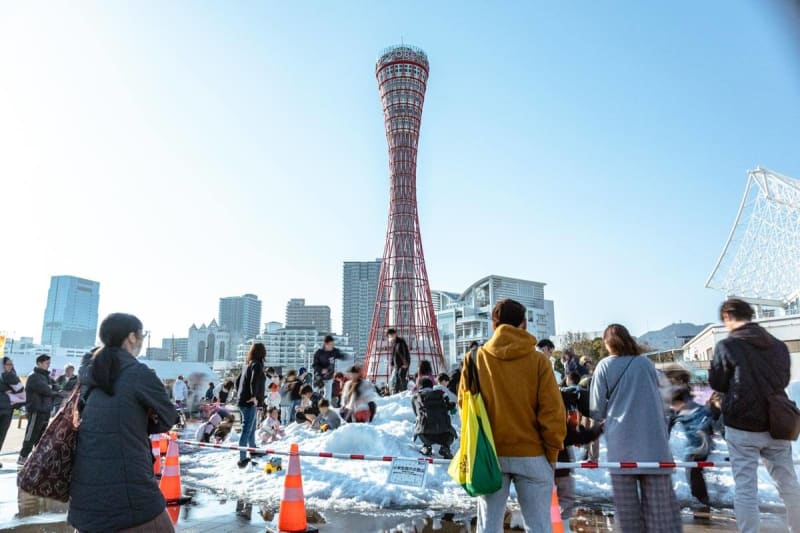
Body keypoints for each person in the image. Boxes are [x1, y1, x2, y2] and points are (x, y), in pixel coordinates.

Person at [459, 299, 566, 532]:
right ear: (524, 324)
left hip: (490, 456)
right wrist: (551, 454)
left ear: (493, 325)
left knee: (489, 526)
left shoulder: (474, 359)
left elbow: (464, 407)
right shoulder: (539, 361)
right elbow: (553, 413)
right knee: (539, 526)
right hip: (533, 454)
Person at [68, 313, 177, 532]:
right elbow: (168, 418)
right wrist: (140, 423)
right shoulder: (138, 373)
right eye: (142, 335)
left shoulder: (89, 372)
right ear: (131, 338)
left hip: (85, 492)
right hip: (130, 494)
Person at [709, 298, 800, 532]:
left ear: (728, 316)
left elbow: (717, 382)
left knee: (746, 488)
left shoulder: (727, 346)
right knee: (789, 484)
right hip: (777, 423)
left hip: (742, 427)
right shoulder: (779, 346)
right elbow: (783, 380)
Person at [590, 324, 680, 532]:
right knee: (660, 514)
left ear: (607, 344)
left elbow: (597, 409)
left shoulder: (604, 366)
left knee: (627, 514)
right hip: (653, 444)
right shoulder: (646, 364)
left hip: (621, 446)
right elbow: (666, 398)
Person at [557, 386, 603, 523]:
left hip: (544, 470)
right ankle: (560, 528)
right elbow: (581, 438)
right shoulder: (559, 425)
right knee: (564, 502)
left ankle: (552, 527)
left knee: (550, 505)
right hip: (562, 471)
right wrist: (599, 428)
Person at [669, 385, 713, 512]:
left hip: (697, 446)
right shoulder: (700, 409)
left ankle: (700, 498)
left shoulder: (680, 413)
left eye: (674, 404)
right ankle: (701, 498)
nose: (672, 407)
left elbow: (667, 428)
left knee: (694, 471)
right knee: (696, 471)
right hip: (703, 444)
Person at [18, 354, 59, 465]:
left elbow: (57, 388)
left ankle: (38, 458)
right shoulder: (34, 376)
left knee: (41, 436)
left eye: (49, 363)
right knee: (31, 434)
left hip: (46, 410)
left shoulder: (47, 377)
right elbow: (47, 390)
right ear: (39, 363)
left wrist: (53, 389)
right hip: (36, 410)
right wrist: (52, 390)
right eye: (46, 363)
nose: (48, 365)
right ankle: (23, 456)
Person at [237, 343, 266, 468]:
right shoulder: (257, 365)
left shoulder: (248, 365)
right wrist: (254, 396)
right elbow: (254, 380)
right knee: (247, 429)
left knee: (251, 427)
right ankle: (243, 458)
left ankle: (252, 449)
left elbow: (237, 381)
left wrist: (241, 394)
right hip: (249, 402)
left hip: (243, 401)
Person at [412, 377, 457, 458]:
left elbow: (417, 414)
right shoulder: (441, 394)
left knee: (419, 424)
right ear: (432, 386)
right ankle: (445, 447)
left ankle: (426, 446)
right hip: (444, 433)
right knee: (450, 431)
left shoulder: (416, 397)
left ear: (420, 386)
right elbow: (452, 408)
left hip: (425, 434)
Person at [0, 357, 24, 468]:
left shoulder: (13, 375)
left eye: (11, 364)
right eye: (7, 364)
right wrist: (7, 388)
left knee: (2, 435)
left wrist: (7, 389)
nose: (10, 366)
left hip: (8, 410)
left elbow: (21, 389)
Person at [312, 335, 346, 401]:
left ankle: (326, 408)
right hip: (319, 377)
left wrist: (345, 357)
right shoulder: (318, 353)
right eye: (330, 344)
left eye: (333, 344)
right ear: (325, 344)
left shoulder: (334, 351)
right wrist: (321, 370)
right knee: (315, 393)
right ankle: (314, 406)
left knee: (327, 396)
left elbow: (341, 355)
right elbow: (314, 365)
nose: (332, 346)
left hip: (329, 377)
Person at [387, 329, 410, 395]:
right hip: (397, 363)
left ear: (395, 334)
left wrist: (405, 363)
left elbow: (405, 352)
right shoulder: (393, 342)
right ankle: (396, 393)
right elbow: (393, 354)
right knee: (396, 377)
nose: (391, 336)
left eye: (392, 334)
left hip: (404, 362)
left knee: (401, 375)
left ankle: (404, 391)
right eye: (390, 335)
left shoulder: (401, 341)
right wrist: (392, 363)